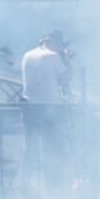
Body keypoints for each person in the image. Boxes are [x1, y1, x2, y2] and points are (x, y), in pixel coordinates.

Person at [19, 32, 72, 189]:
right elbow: (66, 78)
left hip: (29, 107)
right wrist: (67, 59)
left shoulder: (27, 54)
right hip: (48, 108)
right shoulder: (52, 56)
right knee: (53, 149)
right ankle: (53, 187)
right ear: (51, 42)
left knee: (30, 148)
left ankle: (26, 185)